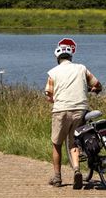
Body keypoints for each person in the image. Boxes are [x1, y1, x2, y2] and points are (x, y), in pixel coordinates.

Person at [44, 42, 102, 189]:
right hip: (80, 109)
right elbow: (97, 85)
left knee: (57, 144)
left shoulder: (53, 72)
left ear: (57, 58)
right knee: (74, 141)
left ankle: (57, 177)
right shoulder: (82, 68)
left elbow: (49, 96)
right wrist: (89, 90)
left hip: (60, 110)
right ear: (70, 56)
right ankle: (77, 169)